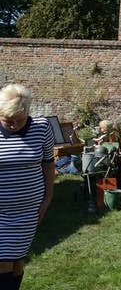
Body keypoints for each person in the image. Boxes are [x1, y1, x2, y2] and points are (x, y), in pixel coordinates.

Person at [0, 83, 55, 290]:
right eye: (7, 120)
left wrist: (48, 198)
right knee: (3, 262)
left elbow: (49, 164)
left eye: (19, 120)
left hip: (28, 211)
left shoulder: (41, 128)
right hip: (0, 211)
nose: (13, 125)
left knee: (17, 259)